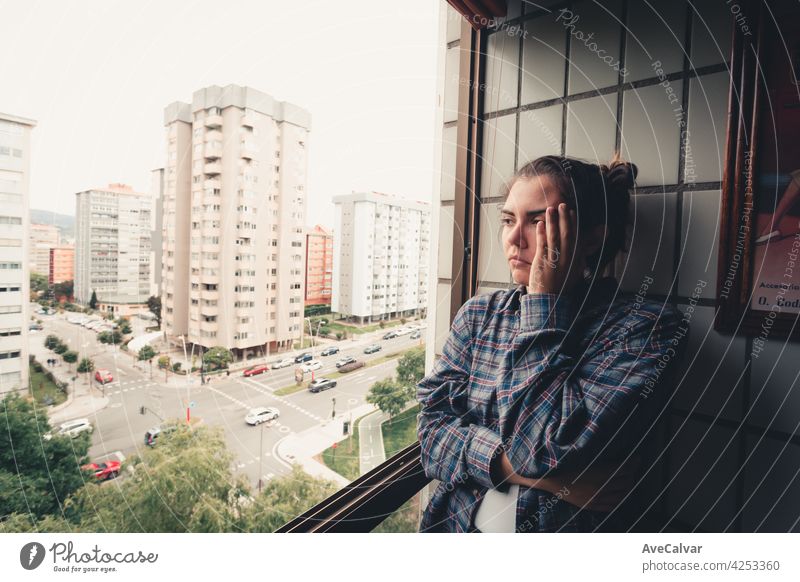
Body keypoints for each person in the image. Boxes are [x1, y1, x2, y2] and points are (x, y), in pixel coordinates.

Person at [416, 154, 686, 533]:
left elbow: (542, 447)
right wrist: (538, 478)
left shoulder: (643, 329)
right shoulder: (479, 316)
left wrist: (544, 299)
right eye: (509, 220)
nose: (513, 238)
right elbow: (430, 433)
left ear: (592, 236)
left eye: (538, 221)